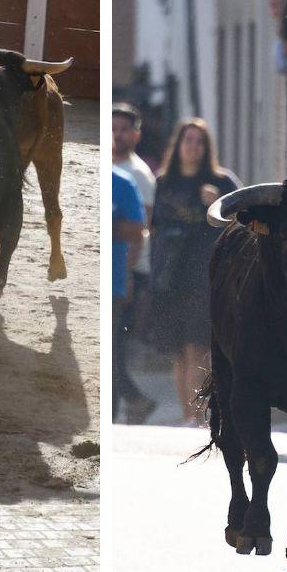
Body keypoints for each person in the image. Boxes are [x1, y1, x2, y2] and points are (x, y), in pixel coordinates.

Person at [149, 119, 240, 425]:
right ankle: (188, 414)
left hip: (204, 277)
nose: (193, 146)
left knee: (198, 348)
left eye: (199, 141)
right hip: (169, 278)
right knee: (177, 351)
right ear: (178, 144)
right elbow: (152, 227)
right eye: (188, 140)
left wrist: (219, 207)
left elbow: (244, 224)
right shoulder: (163, 182)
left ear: (206, 148)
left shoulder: (221, 182)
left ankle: (200, 417)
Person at [112, 166, 157, 424]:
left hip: (118, 280)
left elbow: (139, 230)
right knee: (115, 353)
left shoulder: (128, 181)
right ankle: (135, 400)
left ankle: (113, 419)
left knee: (114, 353)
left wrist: (129, 274)